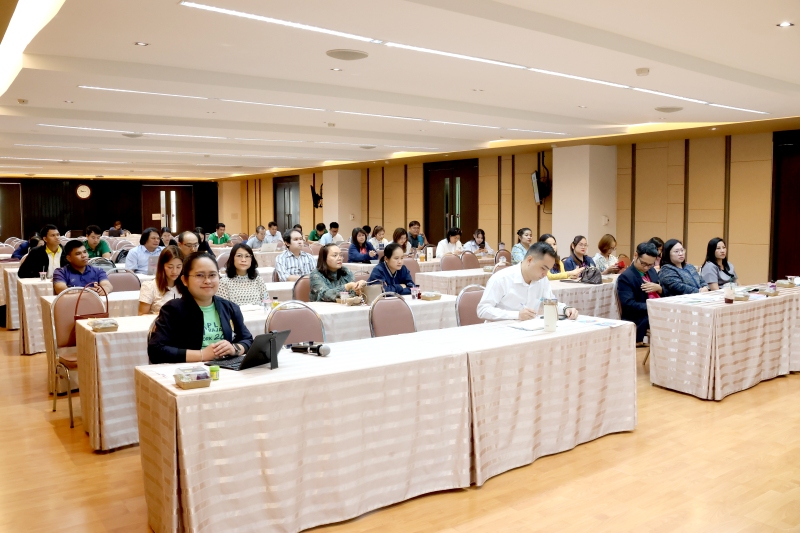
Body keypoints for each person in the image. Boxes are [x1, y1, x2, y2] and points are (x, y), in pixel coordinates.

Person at [147, 252, 253, 364]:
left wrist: (235, 349)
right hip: (188, 371)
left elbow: (248, 340)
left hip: (225, 368)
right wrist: (202, 355)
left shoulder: (229, 307)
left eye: (212, 275)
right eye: (200, 275)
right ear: (184, 280)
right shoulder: (173, 310)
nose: (207, 281)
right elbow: (156, 350)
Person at [477, 241, 579, 322]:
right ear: (529, 260)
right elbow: (483, 310)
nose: (545, 274)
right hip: (501, 331)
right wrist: (517, 315)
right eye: (543, 268)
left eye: (548, 270)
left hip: (528, 330)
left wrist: (565, 309)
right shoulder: (501, 278)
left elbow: (550, 302)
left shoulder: (542, 280)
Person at [616, 242, 662, 342]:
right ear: (636, 255)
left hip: (657, 312)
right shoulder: (626, 277)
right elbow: (629, 304)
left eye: (650, 265)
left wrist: (659, 289)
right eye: (643, 263)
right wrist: (653, 306)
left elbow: (663, 293)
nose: (646, 267)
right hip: (640, 318)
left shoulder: (652, 271)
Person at [138, 246, 183, 315]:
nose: (174, 271)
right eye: (170, 267)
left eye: (178, 267)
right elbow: (141, 315)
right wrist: (159, 315)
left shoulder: (186, 286)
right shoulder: (149, 287)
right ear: (162, 266)